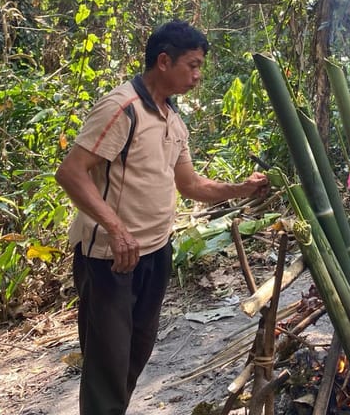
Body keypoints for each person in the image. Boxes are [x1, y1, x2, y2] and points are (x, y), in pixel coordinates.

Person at [55, 20, 270, 415]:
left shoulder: (172, 119)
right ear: (164, 61)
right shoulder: (122, 108)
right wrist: (117, 229)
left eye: (200, 66)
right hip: (109, 258)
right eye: (192, 65)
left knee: (136, 351)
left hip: (154, 253)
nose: (198, 75)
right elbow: (70, 173)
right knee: (108, 361)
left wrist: (240, 188)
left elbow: (190, 185)